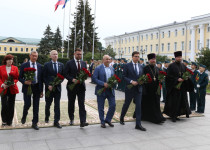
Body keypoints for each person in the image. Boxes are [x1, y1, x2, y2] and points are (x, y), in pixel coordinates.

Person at [163, 51, 193, 122]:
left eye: (180, 57)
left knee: (180, 102)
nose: (180, 58)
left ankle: (177, 114)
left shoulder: (183, 66)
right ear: (175, 57)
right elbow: (168, 77)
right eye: (178, 57)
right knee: (174, 102)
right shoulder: (171, 66)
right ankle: (173, 116)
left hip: (182, 87)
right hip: (174, 88)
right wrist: (177, 79)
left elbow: (185, 74)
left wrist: (185, 78)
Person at [120, 51, 146, 131]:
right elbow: (123, 76)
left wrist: (142, 81)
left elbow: (142, 76)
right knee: (127, 104)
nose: (137, 58)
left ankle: (138, 124)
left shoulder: (141, 66)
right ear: (132, 57)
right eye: (135, 56)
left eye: (138, 56)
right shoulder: (127, 65)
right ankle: (122, 117)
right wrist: (131, 81)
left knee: (138, 106)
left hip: (138, 89)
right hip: (130, 88)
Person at [19, 51, 43, 130]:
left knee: (36, 106)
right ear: (30, 56)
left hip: (36, 87)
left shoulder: (39, 66)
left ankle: (35, 123)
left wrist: (41, 91)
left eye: (36, 56)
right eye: (33, 56)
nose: (34, 57)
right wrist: (24, 82)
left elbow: (41, 79)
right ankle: (24, 115)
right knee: (28, 104)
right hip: (27, 87)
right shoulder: (24, 65)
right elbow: (20, 77)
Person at [64, 48, 88, 127]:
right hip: (72, 87)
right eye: (78, 54)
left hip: (81, 87)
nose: (79, 55)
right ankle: (71, 118)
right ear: (74, 54)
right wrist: (72, 79)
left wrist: (82, 78)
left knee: (82, 104)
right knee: (71, 103)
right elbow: (65, 74)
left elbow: (85, 74)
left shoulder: (84, 63)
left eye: (80, 54)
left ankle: (83, 121)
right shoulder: (69, 63)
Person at [141, 53, 165, 124]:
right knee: (149, 104)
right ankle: (152, 117)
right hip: (148, 89)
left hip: (156, 89)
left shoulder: (157, 68)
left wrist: (161, 80)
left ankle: (158, 116)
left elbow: (158, 78)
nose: (153, 61)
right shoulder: (145, 68)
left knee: (156, 103)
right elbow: (143, 79)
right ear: (149, 60)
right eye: (152, 59)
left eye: (154, 59)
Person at [92, 55, 116, 128]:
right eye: (106, 59)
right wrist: (103, 83)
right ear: (103, 60)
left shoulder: (112, 68)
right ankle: (102, 121)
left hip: (110, 90)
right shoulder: (98, 68)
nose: (108, 60)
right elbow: (94, 79)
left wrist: (113, 83)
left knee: (113, 105)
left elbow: (114, 77)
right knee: (101, 107)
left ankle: (108, 119)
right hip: (101, 90)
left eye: (109, 59)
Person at [43, 50, 64, 128]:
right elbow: (44, 76)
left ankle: (56, 121)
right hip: (49, 88)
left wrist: (57, 82)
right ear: (50, 56)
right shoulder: (46, 65)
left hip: (57, 88)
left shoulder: (61, 65)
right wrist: (48, 85)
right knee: (48, 104)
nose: (55, 55)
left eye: (56, 54)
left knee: (57, 105)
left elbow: (62, 76)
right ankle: (47, 117)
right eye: (53, 54)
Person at [0, 54, 19, 126]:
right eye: (9, 59)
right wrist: (2, 85)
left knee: (11, 105)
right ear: (5, 60)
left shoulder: (15, 68)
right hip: (3, 88)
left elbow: (16, 78)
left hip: (12, 88)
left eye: (11, 59)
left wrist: (13, 82)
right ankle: (4, 121)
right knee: (4, 105)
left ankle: (9, 121)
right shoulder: (1, 68)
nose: (10, 61)